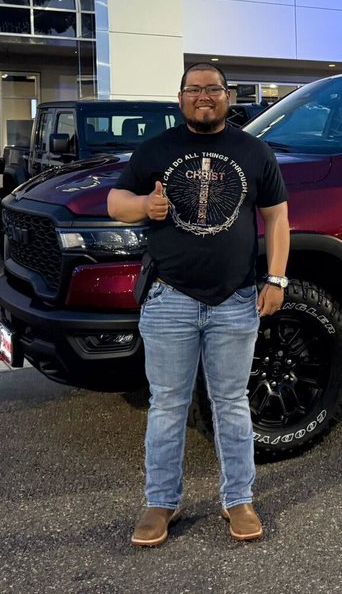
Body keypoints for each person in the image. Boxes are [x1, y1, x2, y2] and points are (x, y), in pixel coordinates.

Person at [107, 62, 290, 547]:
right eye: (194, 89)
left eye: (213, 89)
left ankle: (239, 499)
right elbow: (115, 201)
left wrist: (275, 278)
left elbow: (276, 219)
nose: (203, 96)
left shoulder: (253, 152)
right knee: (168, 404)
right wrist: (146, 206)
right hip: (170, 296)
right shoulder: (156, 150)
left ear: (229, 97)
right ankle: (161, 501)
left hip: (235, 299)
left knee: (231, 403)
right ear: (180, 97)